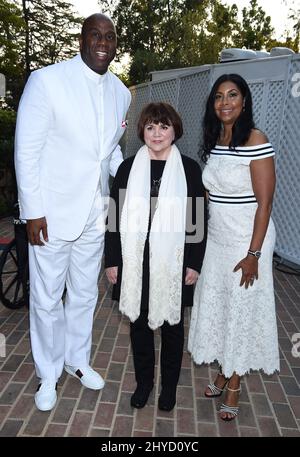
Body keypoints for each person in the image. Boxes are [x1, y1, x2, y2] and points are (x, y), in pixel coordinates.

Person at [14, 13, 131, 411]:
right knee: (47, 298)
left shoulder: (122, 93)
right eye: (95, 35)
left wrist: (133, 175)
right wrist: (33, 211)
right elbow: (26, 151)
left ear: (116, 44)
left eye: (110, 37)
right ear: (81, 39)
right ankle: (49, 373)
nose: (103, 42)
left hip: (95, 215)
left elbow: (109, 150)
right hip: (51, 215)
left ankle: (77, 360)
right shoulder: (46, 81)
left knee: (84, 294)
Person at [188, 74, 280, 421]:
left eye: (233, 95)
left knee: (242, 310)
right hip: (218, 241)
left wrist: (254, 255)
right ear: (213, 104)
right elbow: (210, 196)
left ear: (244, 101)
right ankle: (223, 371)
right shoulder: (215, 139)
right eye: (219, 97)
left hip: (247, 241)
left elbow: (265, 204)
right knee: (221, 306)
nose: (225, 102)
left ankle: (235, 383)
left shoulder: (256, 139)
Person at [105, 102, 207, 411]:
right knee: (138, 327)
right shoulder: (127, 169)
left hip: (173, 264)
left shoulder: (189, 169)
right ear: (142, 132)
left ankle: (169, 389)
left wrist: (194, 263)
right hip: (134, 262)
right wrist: (112, 260)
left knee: (172, 329)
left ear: (175, 130)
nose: (157, 133)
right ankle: (144, 383)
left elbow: (198, 221)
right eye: (150, 127)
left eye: (163, 126)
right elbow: (113, 218)